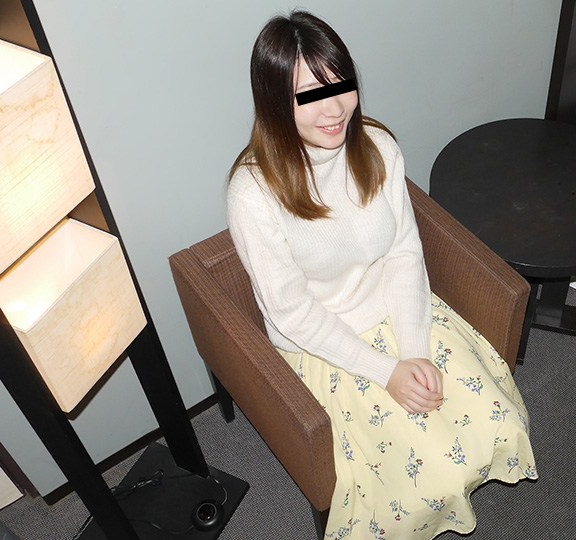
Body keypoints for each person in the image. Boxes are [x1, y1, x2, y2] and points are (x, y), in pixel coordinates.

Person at [227, 11, 537, 539]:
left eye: (339, 84)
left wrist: (414, 351)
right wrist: (385, 370)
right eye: (309, 95)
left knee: (499, 424)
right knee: (420, 485)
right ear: (275, 101)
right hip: (324, 344)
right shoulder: (252, 193)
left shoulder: (377, 146)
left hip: (398, 312)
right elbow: (292, 313)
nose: (334, 108)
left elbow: (403, 254)